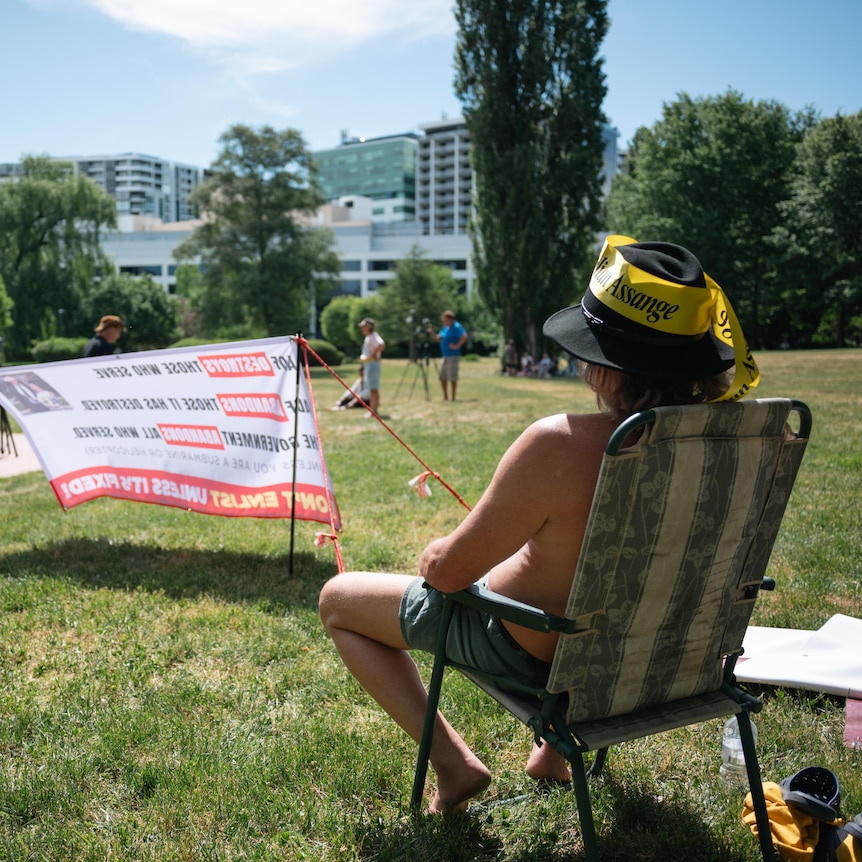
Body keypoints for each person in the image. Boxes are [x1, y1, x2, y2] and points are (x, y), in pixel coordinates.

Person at [319, 235, 759, 815]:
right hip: (668, 650)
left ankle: (454, 768)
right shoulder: (739, 443)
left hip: (532, 646)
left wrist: (434, 555)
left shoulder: (559, 445)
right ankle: (552, 754)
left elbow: (449, 576)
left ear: (601, 364)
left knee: (339, 600)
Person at [426, 311, 468, 401]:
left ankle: (453, 397)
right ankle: (445, 397)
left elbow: (464, 336)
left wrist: (457, 345)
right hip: (445, 355)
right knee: (442, 376)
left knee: (452, 377)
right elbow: (438, 339)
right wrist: (432, 333)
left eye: (444, 319)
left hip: (453, 355)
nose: (443, 321)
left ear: (450, 319)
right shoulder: (445, 328)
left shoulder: (456, 326)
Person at [358, 317, 385, 416]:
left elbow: (381, 345)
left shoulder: (373, 336)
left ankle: (374, 410)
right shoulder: (369, 337)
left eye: (364, 326)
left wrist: (373, 354)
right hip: (369, 363)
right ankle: (373, 408)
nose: (362, 328)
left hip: (372, 363)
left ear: (369, 327)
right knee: (371, 387)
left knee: (373, 388)